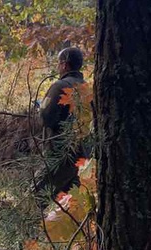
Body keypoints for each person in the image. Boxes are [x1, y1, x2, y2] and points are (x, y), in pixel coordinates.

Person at [33, 47, 86, 209]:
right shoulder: (88, 87)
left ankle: (31, 232)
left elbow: (45, 119)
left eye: (59, 63)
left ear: (64, 65)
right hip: (84, 157)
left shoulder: (59, 86)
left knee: (37, 196)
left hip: (60, 154)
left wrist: (39, 109)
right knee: (73, 205)